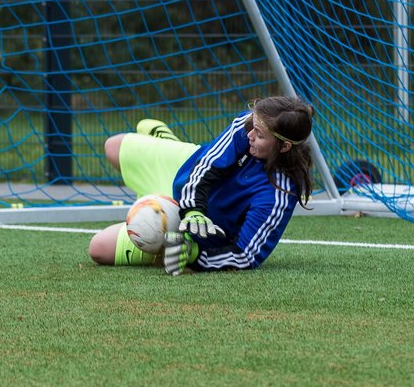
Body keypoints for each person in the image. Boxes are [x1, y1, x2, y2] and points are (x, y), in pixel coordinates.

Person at [87, 95, 315, 275]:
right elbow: (203, 169)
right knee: (112, 146)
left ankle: (167, 235)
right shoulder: (247, 126)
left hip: (190, 232)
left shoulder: (279, 195)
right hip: (185, 171)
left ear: (284, 146)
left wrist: (194, 254)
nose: (251, 135)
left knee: (98, 249)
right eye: (253, 126)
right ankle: (168, 144)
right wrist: (194, 209)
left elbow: (246, 255)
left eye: (260, 135)